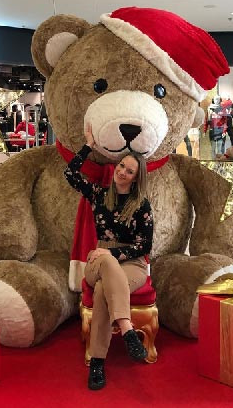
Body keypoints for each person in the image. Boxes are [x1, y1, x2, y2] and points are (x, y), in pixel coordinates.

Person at [64, 123, 153, 390]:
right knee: (104, 263)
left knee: (104, 289)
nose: (122, 172)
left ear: (136, 178)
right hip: (99, 262)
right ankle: (127, 330)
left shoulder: (141, 206)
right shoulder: (99, 194)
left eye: (129, 171)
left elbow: (144, 246)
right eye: (121, 166)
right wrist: (88, 146)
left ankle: (97, 363)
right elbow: (70, 173)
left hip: (132, 264)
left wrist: (112, 252)